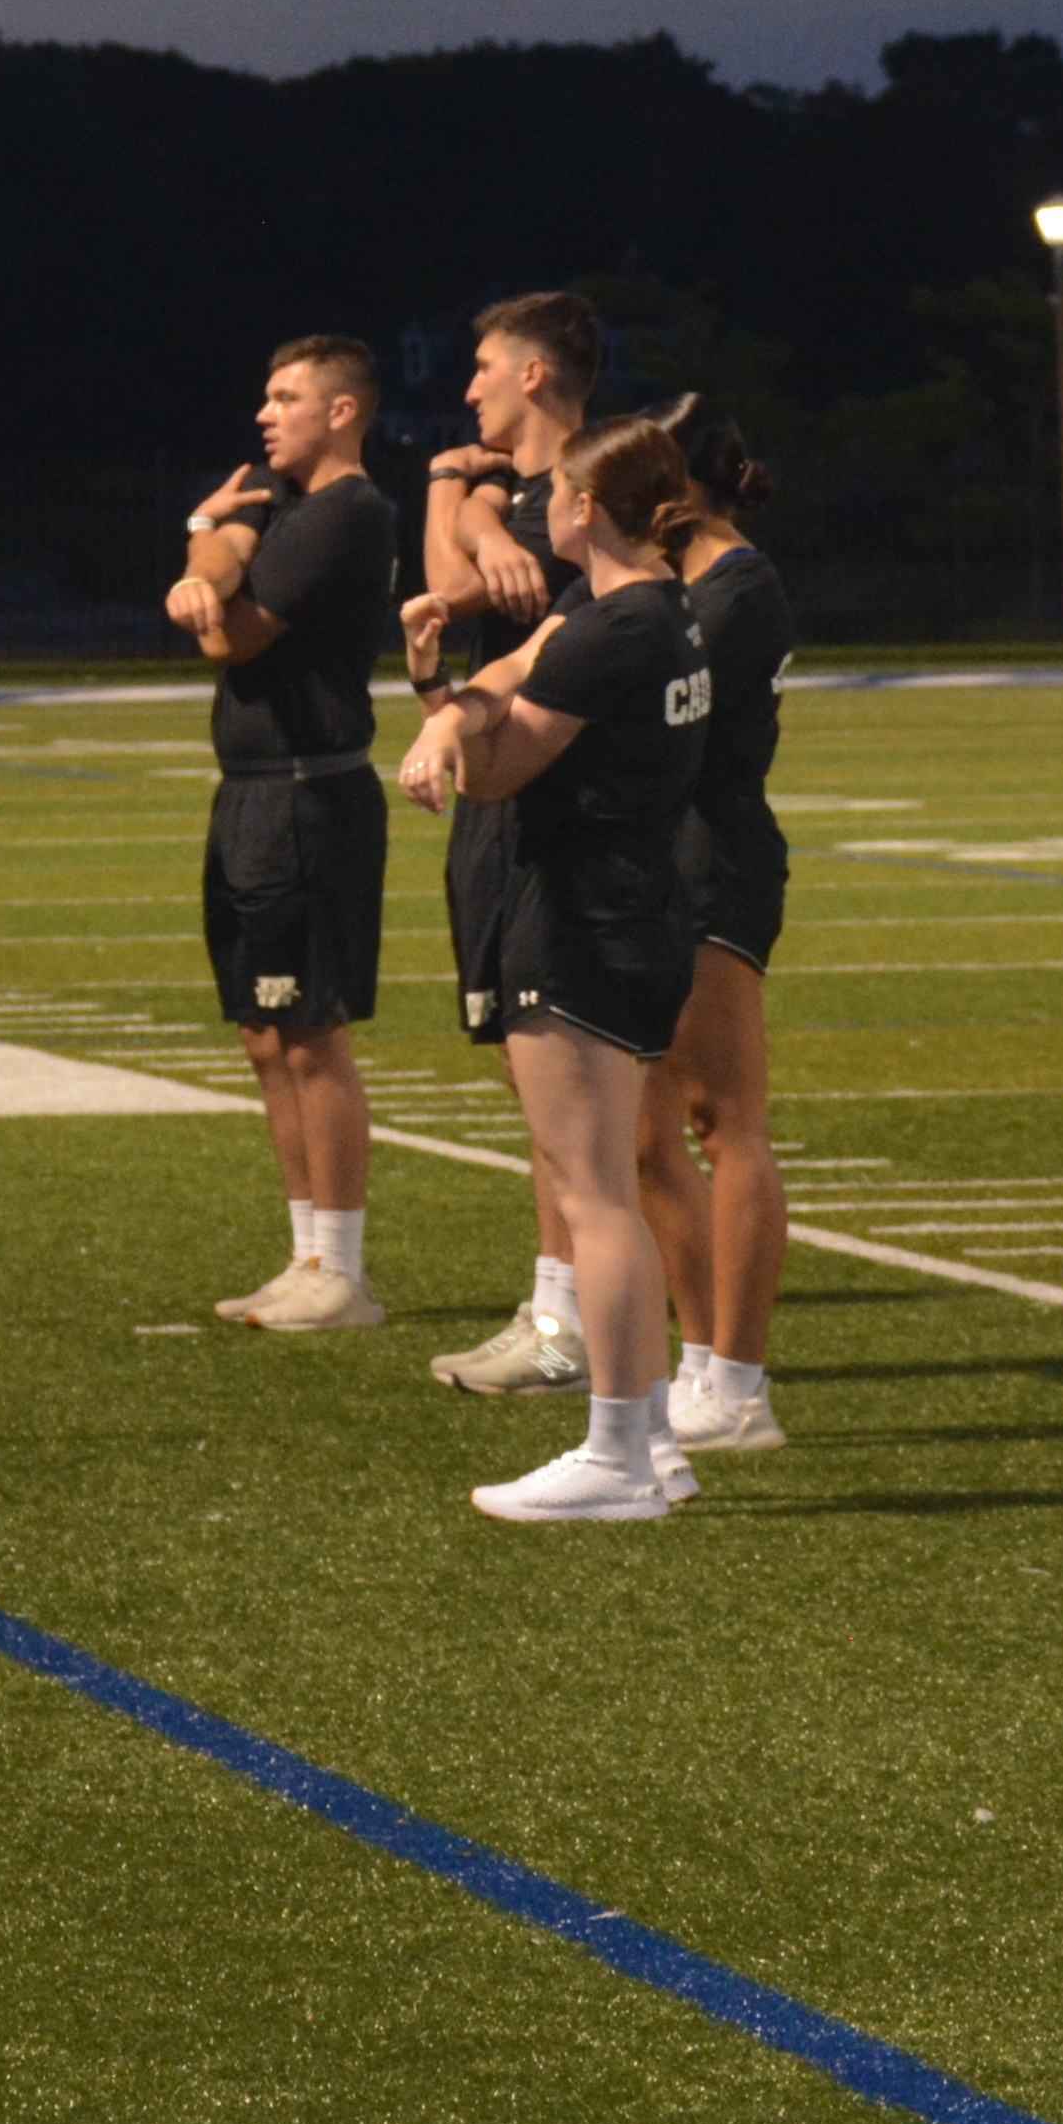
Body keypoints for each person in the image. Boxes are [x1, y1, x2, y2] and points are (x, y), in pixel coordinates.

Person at [396, 415, 715, 1525]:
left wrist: (438, 716)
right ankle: (658, 1439)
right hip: (643, 910)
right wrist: (450, 705)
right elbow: (516, 677)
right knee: (605, 1181)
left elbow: (501, 770)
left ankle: (619, 1451)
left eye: (558, 497)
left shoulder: (608, 629)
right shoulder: (662, 612)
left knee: (595, 1196)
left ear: (586, 509)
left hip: (579, 917)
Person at [168, 334, 398, 1333]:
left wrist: (212, 551)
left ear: (341, 410)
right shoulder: (281, 502)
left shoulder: (344, 511)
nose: (266, 412)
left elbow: (233, 629)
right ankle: (305, 1254)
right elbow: (218, 557)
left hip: (309, 792)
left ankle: (342, 1268)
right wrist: (210, 533)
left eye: (288, 395)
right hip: (253, 791)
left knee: (311, 1033)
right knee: (265, 1035)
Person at [402, 291, 600, 1399]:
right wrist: (471, 504)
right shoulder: (518, 493)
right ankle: (557, 1306)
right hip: (501, 785)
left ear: (533, 375)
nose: (467, 384)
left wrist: (454, 500)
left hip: (546, 798)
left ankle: (578, 1322)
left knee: (575, 1094)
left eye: (483, 365)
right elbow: (453, 586)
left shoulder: (578, 494)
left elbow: (445, 592)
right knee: (542, 1087)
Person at [640, 396, 795, 1458]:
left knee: (720, 1116)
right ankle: (701, 1361)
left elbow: (645, 710)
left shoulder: (737, 589)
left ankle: (738, 1381)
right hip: (651, 856)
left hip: (712, 856)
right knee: (647, 1127)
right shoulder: (678, 584)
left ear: (676, 489)